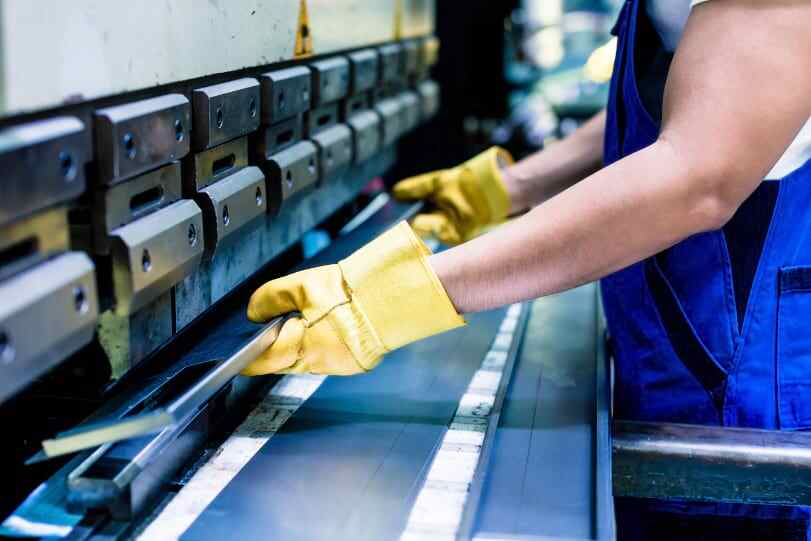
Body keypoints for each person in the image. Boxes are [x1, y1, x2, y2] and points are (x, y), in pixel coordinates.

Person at [243, 0, 811, 537]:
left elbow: (698, 177)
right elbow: (693, 101)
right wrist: (510, 187)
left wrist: (395, 298)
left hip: (747, 389)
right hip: (679, 355)